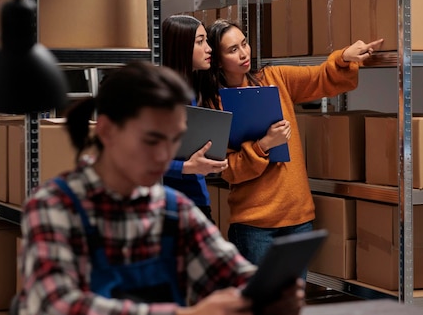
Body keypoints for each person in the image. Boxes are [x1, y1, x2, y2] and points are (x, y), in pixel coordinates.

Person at [17, 61, 305, 315]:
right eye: (152, 140)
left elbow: (232, 273)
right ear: (106, 130)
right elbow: (56, 305)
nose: (163, 156)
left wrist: (270, 293)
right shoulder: (55, 206)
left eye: (174, 141)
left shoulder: (173, 210)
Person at [200, 19, 383, 267]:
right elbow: (228, 171)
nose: (244, 53)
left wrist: (343, 57)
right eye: (233, 50)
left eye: (244, 44)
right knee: (262, 305)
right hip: (253, 226)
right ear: (219, 60)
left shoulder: (276, 78)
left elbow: (321, 77)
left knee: (293, 303)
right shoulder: (215, 104)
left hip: (298, 220)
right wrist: (263, 145)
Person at [161, 15, 228, 222]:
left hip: (196, 201)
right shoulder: (163, 97)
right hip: (174, 206)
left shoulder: (189, 92)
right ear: (181, 47)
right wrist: (187, 167)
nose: (208, 49)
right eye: (200, 42)